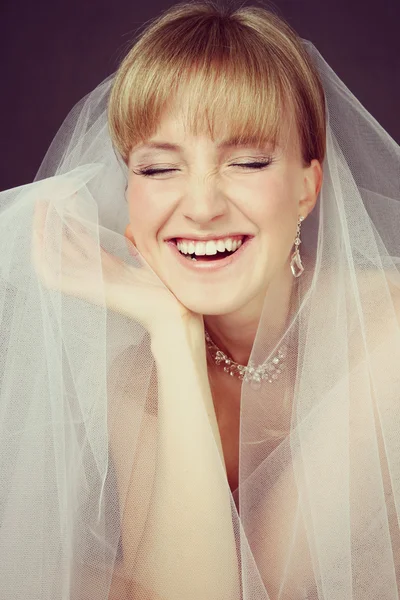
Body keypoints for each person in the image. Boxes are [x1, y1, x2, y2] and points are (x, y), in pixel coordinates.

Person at [0, 1, 399, 598]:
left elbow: (268, 586)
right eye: (160, 169)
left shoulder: (387, 331)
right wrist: (172, 330)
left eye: (247, 161)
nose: (203, 206)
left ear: (307, 189)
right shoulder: (136, 375)